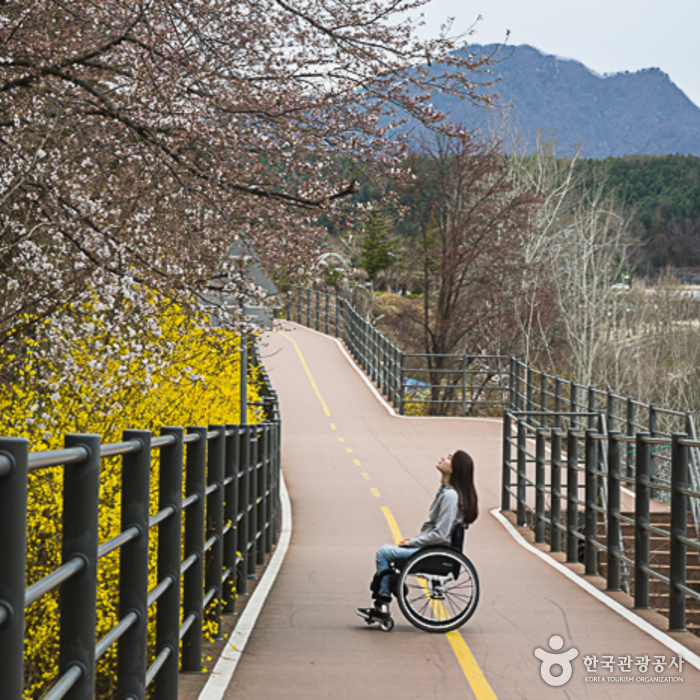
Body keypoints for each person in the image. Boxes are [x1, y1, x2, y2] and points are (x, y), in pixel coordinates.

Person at [356, 450, 478, 624]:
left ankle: (382, 605)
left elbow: (440, 534)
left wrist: (413, 543)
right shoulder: (447, 491)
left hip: (434, 552)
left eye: (449, 458)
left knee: (383, 553)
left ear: (454, 469)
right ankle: (391, 589)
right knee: (390, 553)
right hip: (432, 548)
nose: (444, 457)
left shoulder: (451, 496)